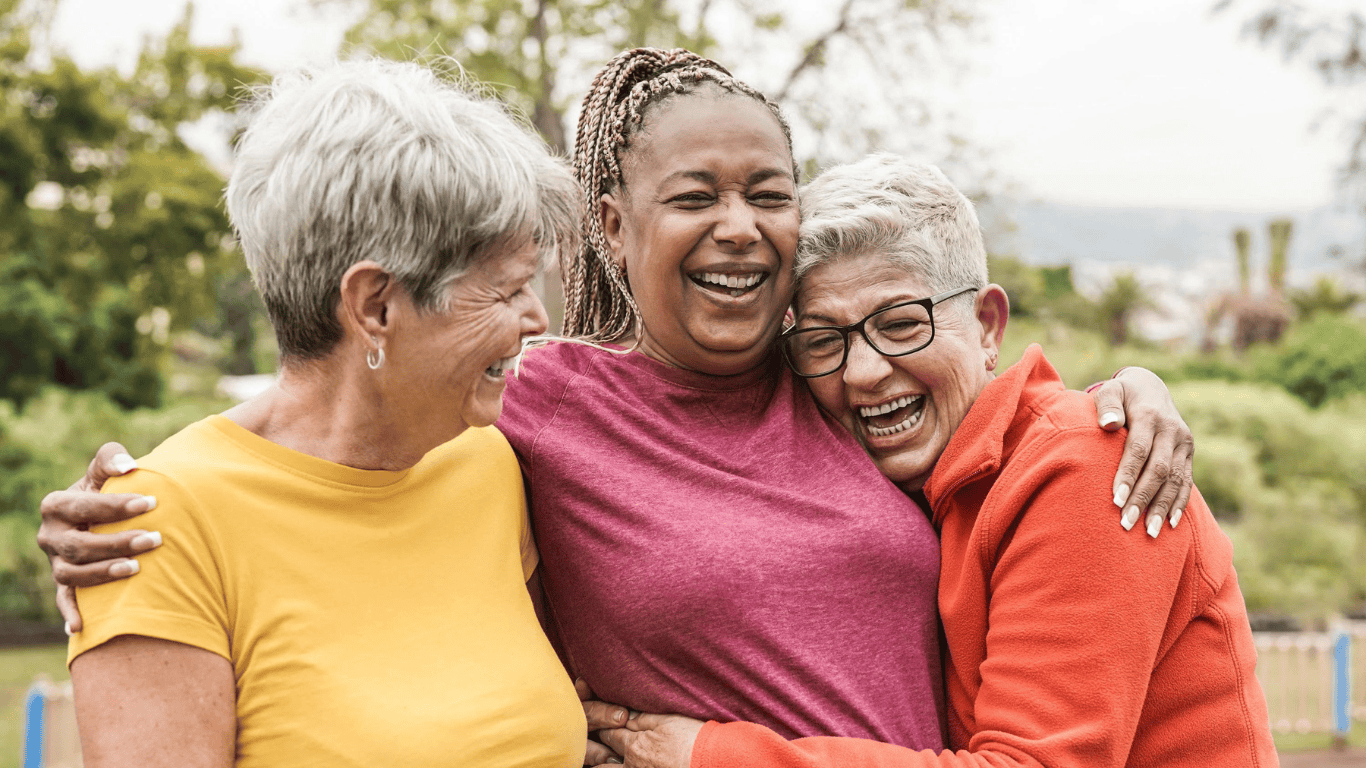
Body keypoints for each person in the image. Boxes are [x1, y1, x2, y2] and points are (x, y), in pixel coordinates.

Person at [39, 49, 1197, 762]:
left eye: (769, 194)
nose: (740, 226)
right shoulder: (528, 420)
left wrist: (1121, 399)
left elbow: (977, 411)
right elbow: (309, 441)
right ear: (609, 227)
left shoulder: (836, 382)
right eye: (693, 195)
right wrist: (126, 512)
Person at [590, 155, 1278, 768]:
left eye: (899, 325)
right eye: (825, 339)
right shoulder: (917, 482)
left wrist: (708, 753)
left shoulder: (1085, 467)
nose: (862, 372)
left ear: (987, 326)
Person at [59, 59, 590, 767]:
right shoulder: (158, 525)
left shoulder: (487, 458)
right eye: (507, 291)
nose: (535, 320)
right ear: (374, 305)